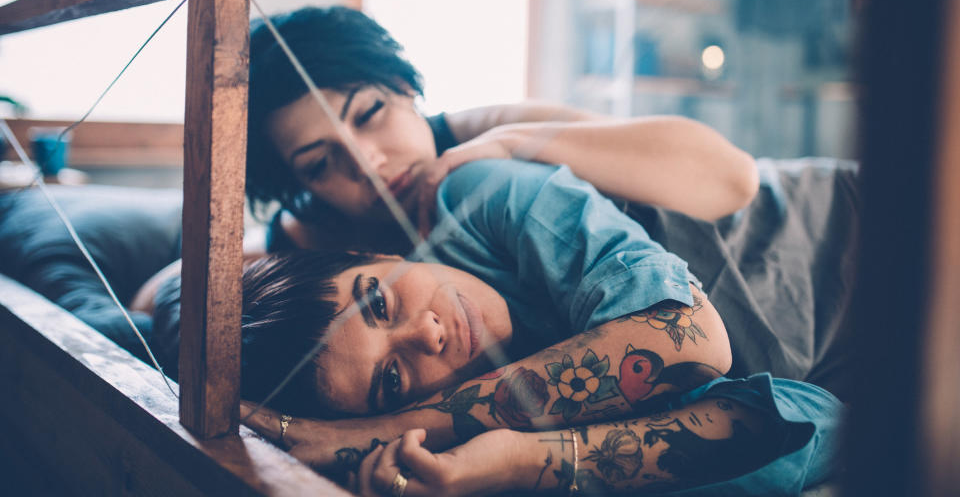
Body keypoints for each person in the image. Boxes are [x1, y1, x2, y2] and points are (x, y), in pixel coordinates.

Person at [148, 159, 841, 496]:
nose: (427, 335)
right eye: (392, 380)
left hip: (863, 230)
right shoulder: (463, 461)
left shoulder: (476, 201)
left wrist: (368, 432)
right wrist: (519, 461)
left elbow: (686, 339)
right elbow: (804, 421)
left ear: (373, 254)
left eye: (379, 303)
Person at [244, 6, 759, 254]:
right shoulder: (304, 236)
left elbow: (732, 179)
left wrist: (512, 144)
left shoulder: (492, 127)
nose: (367, 163)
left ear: (403, 85)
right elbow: (165, 292)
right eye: (318, 163)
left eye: (370, 113)